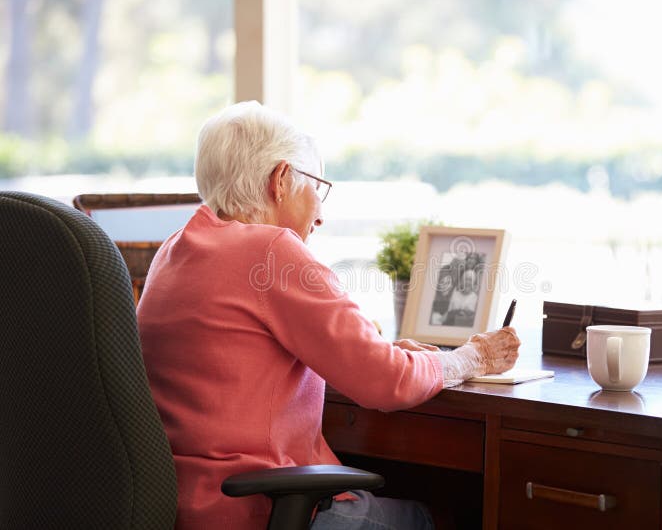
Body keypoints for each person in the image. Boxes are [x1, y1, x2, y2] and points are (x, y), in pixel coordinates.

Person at [137, 101, 520, 530]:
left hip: (180, 504)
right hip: (255, 509)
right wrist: (473, 357)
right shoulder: (272, 251)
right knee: (454, 516)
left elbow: (238, 354)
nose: (321, 214)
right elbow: (386, 382)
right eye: (317, 186)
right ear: (281, 180)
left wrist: (384, 350)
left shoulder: (174, 250)